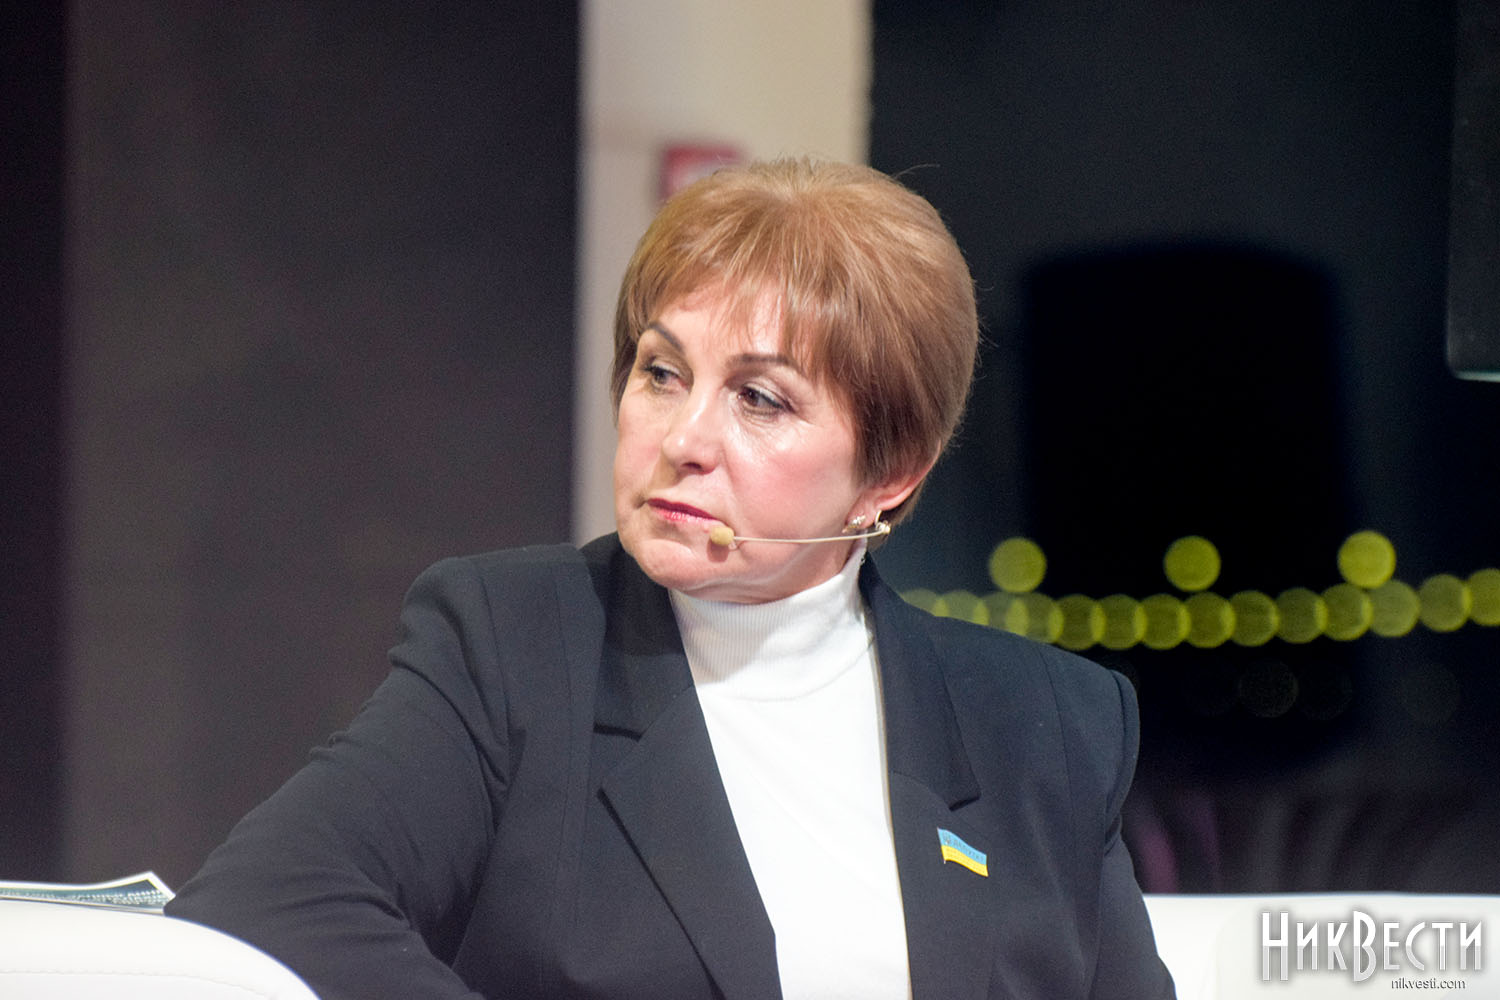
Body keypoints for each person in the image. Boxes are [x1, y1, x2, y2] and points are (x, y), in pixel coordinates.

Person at [167, 158, 1176, 999]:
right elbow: (271, 899)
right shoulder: (514, 646)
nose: (684, 438)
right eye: (662, 372)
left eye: (760, 399)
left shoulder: (1047, 721)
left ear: (891, 476)